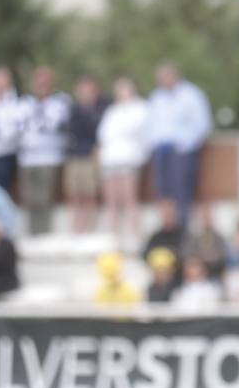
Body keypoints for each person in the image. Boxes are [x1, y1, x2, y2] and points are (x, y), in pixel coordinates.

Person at [145, 62, 212, 227]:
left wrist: (185, 145)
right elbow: (150, 125)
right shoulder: (157, 97)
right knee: (162, 193)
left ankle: (182, 228)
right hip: (161, 150)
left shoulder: (191, 95)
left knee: (181, 192)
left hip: (182, 151)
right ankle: (166, 227)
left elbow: (202, 124)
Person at [16, 65, 70, 235]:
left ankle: (45, 235)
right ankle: (33, 234)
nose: (41, 85)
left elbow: (55, 125)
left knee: (45, 199)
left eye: (45, 82)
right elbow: (17, 126)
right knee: (30, 199)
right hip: (28, 158)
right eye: (38, 82)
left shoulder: (61, 101)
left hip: (49, 158)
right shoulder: (24, 102)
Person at [96, 77, 149, 250]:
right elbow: (104, 134)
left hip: (128, 159)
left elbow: (133, 131)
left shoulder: (140, 108)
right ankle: (114, 236)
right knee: (111, 201)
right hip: (110, 160)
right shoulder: (113, 110)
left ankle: (134, 235)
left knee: (129, 199)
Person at [65, 75, 105, 234]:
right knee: (75, 194)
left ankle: (89, 228)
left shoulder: (99, 110)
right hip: (74, 157)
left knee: (89, 194)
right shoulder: (73, 109)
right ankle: (76, 227)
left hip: (90, 156)